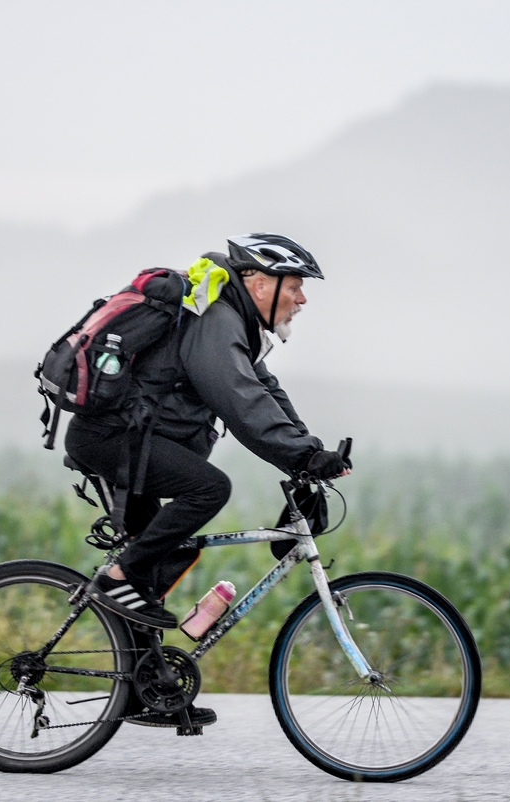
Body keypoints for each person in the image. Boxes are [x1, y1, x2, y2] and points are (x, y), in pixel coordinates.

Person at [64, 233, 350, 722]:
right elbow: (239, 400)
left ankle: (144, 691)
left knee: (162, 558)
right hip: (114, 440)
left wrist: (308, 454)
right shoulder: (217, 321)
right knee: (209, 489)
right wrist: (302, 457)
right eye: (296, 285)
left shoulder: (229, 320)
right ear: (260, 282)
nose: (302, 299)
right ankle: (117, 578)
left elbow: (264, 389)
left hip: (127, 441)